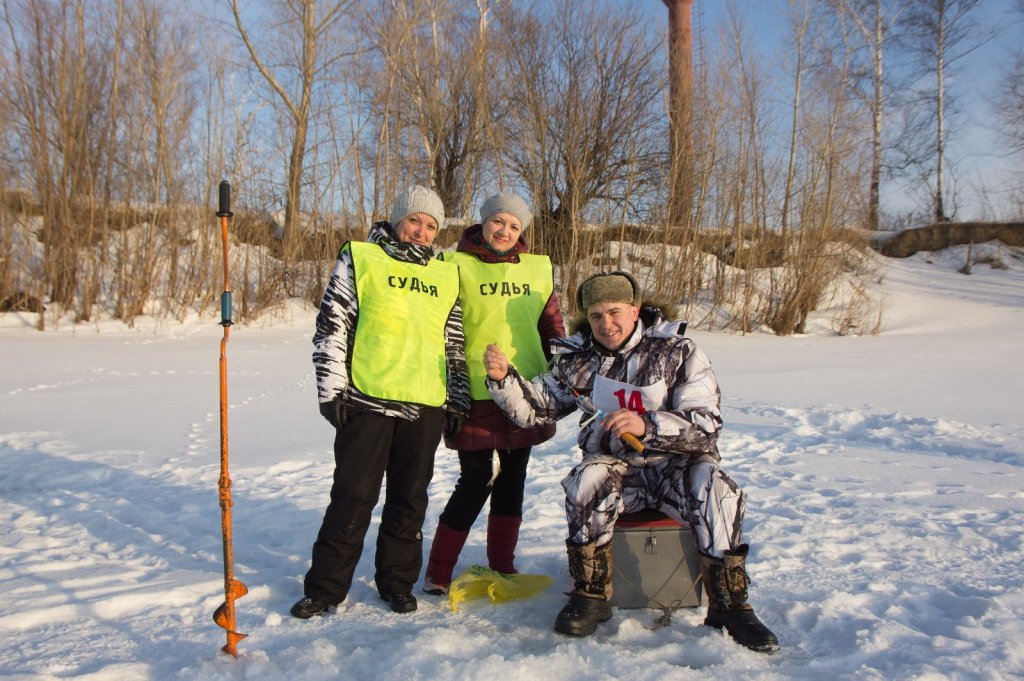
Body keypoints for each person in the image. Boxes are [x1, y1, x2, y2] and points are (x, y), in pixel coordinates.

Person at [482, 271, 779, 653]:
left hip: (677, 467)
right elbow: (537, 411)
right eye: (596, 316)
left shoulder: (677, 350)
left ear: (635, 309)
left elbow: (706, 424)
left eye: (615, 311)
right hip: (619, 469)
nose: (607, 324)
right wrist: (504, 379)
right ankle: (591, 595)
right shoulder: (580, 360)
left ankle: (730, 605)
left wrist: (648, 424)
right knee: (587, 478)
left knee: (716, 486)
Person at [290, 185, 471, 619]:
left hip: (425, 404)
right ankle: (326, 588)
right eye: (414, 221)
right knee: (353, 497)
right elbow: (333, 324)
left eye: (431, 226)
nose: (421, 232)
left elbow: (454, 341)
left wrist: (458, 398)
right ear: (396, 220)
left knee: (410, 499)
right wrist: (331, 388)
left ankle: (396, 582)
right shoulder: (362, 257)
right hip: (367, 400)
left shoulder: (446, 273)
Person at [422, 192, 566, 595]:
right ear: (483, 222)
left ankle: (502, 563)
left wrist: (563, 371)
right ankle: (438, 570)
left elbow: (552, 326)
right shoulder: (451, 264)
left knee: (513, 478)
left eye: (514, 226)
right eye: (498, 222)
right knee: (476, 478)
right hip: (474, 392)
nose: (505, 231)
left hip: (525, 390)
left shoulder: (538, 269)